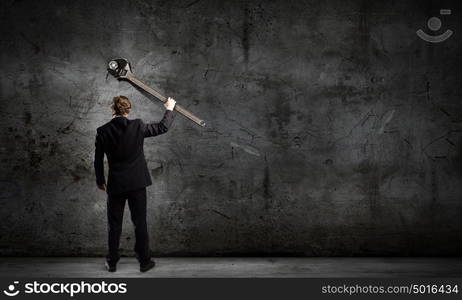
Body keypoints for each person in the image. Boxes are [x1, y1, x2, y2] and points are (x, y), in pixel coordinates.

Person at [94, 95, 176, 272]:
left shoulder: (102, 131)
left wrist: (100, 180)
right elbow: (162, 127)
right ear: (128, 110)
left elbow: (98, 159)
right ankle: (144, 261)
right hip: (137, 183)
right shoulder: (137, 126)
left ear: (113, 110)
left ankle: (112, 262)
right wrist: (169, 109)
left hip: (115, 184)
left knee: (114, 224)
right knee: (140, 222)